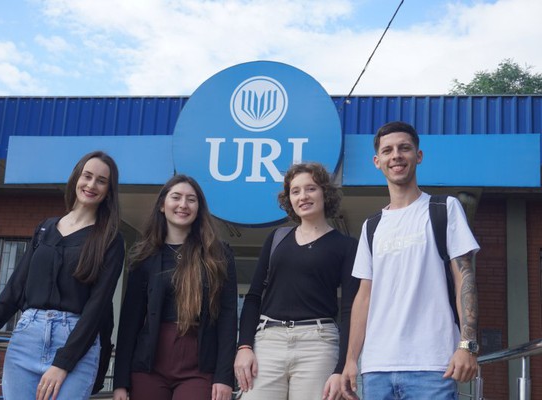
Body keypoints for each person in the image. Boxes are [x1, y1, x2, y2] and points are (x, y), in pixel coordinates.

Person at [0, 150, 125, 400]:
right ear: (76, 178)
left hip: (76, 344)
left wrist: (63, 362)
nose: (91, 185)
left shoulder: (110, 240)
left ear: (108, 191)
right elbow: (16, 287)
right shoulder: (45, 228)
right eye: (87, 176)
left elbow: (96, 308)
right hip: (27, 339)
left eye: (101, 180)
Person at [340, 121, 480, 400]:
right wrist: (351, 360)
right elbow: (364, 297)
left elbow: (464, 278)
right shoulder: (372, 226)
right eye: (388, 150)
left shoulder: (444, 208)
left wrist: (467, 345)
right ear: (377, 162)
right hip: (376, 369)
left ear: (418, 155)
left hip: (432, 366)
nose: (396, 156)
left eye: (404, 148)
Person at [234, 162, 359, 400]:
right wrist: (244, 346)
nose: (303, 196)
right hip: (268, 342)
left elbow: (350, 310)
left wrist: (341, 367)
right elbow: (253, 298)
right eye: (295, 191)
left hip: (318, 344)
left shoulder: (346, 246)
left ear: (325, 192)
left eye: (311, 188)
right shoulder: (277, 238)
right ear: (289, 199)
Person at [112, 174, 238, 400]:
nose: (183, 204)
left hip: (199, 365)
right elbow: (130, 322)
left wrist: (224, 376)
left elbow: (228, 318)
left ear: (199, 208)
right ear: (162, 205)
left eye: (191, 199)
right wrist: (120, 382)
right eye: (176, 197)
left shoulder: (218, 254)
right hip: (149, 364)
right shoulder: (144, 256)